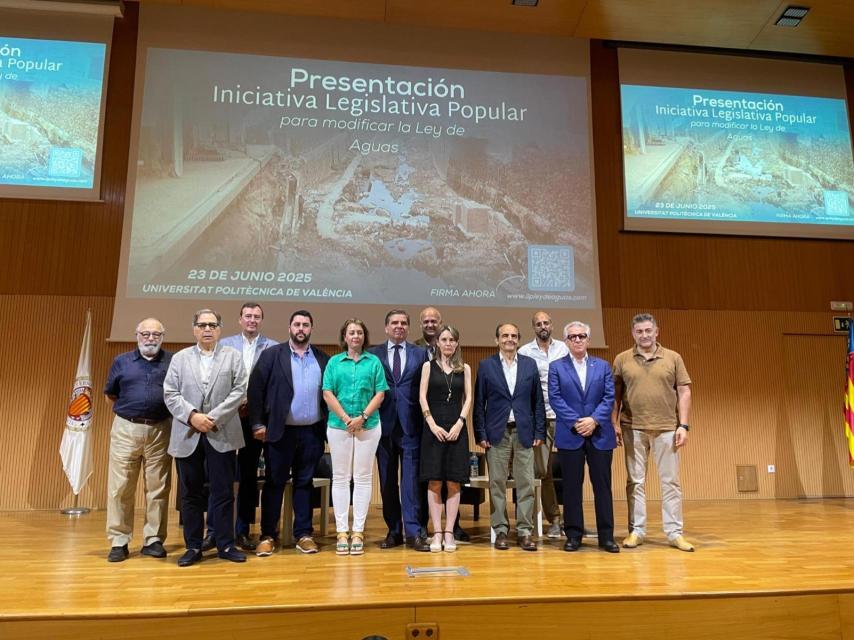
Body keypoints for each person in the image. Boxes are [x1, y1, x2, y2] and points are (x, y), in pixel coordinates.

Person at [164, 309, 247, 567]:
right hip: (187, 433)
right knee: (190, 494)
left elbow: (239, 389)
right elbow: (170, 393)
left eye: (212, 325)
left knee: (223, 492)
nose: (207, 329)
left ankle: (224, 543)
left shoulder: (233, 356)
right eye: (202, 325)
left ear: (220, 329)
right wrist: (193, 416)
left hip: (220, 431)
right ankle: (193, 546)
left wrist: (212, 418)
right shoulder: (180, 358)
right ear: (194, 329)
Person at [248, 310, 329, 556]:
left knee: (305, 484)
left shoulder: (323, 359)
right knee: (275, 483)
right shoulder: (272, 355)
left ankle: (303, 534)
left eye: (305, 324)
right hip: (280, 432)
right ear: (289, 327)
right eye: (297, 324)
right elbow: (256, 391)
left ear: (311, 328)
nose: (301, 328)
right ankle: (268, 535)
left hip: (312, 433)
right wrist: (257, 424)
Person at [612, 313, 694, 552]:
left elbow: (684, 391)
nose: (644, 335)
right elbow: (615, 396)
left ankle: (674, 533)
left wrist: (684, 425)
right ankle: (637, 531)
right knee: (635, 482)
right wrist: (614, 424)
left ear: (657, 331)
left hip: (667, 428)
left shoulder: (673, 357)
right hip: (632, 428)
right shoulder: (622, 359)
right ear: (633, 333)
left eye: (648, 331)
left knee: (670, 482)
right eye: (639, 331)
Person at [205, 302, 277, 551]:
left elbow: (273, 386)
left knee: (247, 477)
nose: (252, 320)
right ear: (240, 319)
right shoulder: (223, 345)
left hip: (254, 420)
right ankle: (213, 530)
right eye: (248, 316)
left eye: (257, 317)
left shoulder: (274, 347)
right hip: (225, 417)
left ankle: (242, 530)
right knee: (220, 475)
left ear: (261, 320)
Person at [103, 318, 173, 562]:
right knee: (120, 487)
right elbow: (111, 394)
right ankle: (119, 540)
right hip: (126, 429)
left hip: (161, 429)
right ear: (137, 335)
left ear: (163, 337)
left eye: (156, 334)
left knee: (158, 487)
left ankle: (153, 539)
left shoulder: (173, 361)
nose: (150, 338)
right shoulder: (121, 361)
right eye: (145, 333)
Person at [473, 323, 545, 551]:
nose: (509, 339)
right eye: (505, 336)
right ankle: (501, 530)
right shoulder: (486, 365)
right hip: (497, 433)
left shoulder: (529, 365)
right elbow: (479, 403)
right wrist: (480, 433)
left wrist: (539, 431)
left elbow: (538, 402)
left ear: (518, 340)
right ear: (497, 340)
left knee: (525, 483)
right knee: (497, 484)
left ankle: (525, 532)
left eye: (514, 336)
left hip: (524, 432)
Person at [548, 321, 619, 553]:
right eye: (572, 337)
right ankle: (574, 535)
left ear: (589, 339)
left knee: (602, 487)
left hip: (600, 434)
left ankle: (607, 537)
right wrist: (578, 422)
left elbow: (609, 397)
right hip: (571, 434)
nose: (577, 340)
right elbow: (555, 398)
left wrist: (594, 420)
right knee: (571, 488)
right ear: (566, 341)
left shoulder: (603, 366)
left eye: (581, 336)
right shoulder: (557, 367)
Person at [322, 318, 388, 556]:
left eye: (360, 332)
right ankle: (342, 532)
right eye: (351, 332)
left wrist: (361, 417)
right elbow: (327, 392)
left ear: (364, 337)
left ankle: (358, 531)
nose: (356, 336)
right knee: (340, 478)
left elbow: (380, 393)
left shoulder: (374, 362)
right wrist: (346, 419)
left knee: (362, 478)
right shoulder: (334, 362)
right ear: (345, 336)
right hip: (338, 427)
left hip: (369, 426)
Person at [368, 310, 431, 552]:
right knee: (387, 482)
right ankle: (393, 531)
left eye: (404, 323)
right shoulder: (373, 354)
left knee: (411, 482)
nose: (399, 327)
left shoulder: (421, 353)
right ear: (386, 328)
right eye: (394, 323)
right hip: (382, 426)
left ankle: (414, 532)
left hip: (411, 426)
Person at [419, 325, 472, 553]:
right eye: (444, 339)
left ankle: (450, 532)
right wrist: (432, 424)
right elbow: (422, 397)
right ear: (437, 343)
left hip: (456, 429)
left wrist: (460, 422)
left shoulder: (465, 368)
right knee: (434, 482)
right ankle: (437, 532)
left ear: (456, 343)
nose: (448, 343)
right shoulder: (427, 367)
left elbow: (468, 398)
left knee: (453, 481)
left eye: (452, 339)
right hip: (433, 431)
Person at [518, 311, 568, 538]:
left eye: (546, 322)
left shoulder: (564, 349)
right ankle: (554, 519)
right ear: (533, 328)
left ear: (552, 325)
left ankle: (573, 519)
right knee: (544, 471)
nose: (542, 326)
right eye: (538, 324)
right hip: (541, 418)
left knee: (572, 470)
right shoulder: (524, 352)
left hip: (567, 417)